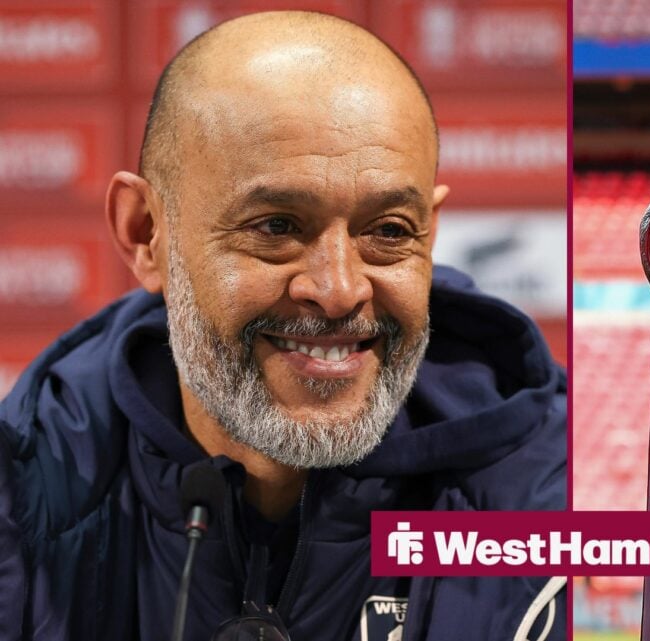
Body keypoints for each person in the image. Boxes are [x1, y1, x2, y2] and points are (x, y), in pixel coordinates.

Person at [0, 11, 567, 641]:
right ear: (146, 234)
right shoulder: (19, 509)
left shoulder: (564, 510)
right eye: (276, 227)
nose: (340, 290)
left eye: (388, 231)